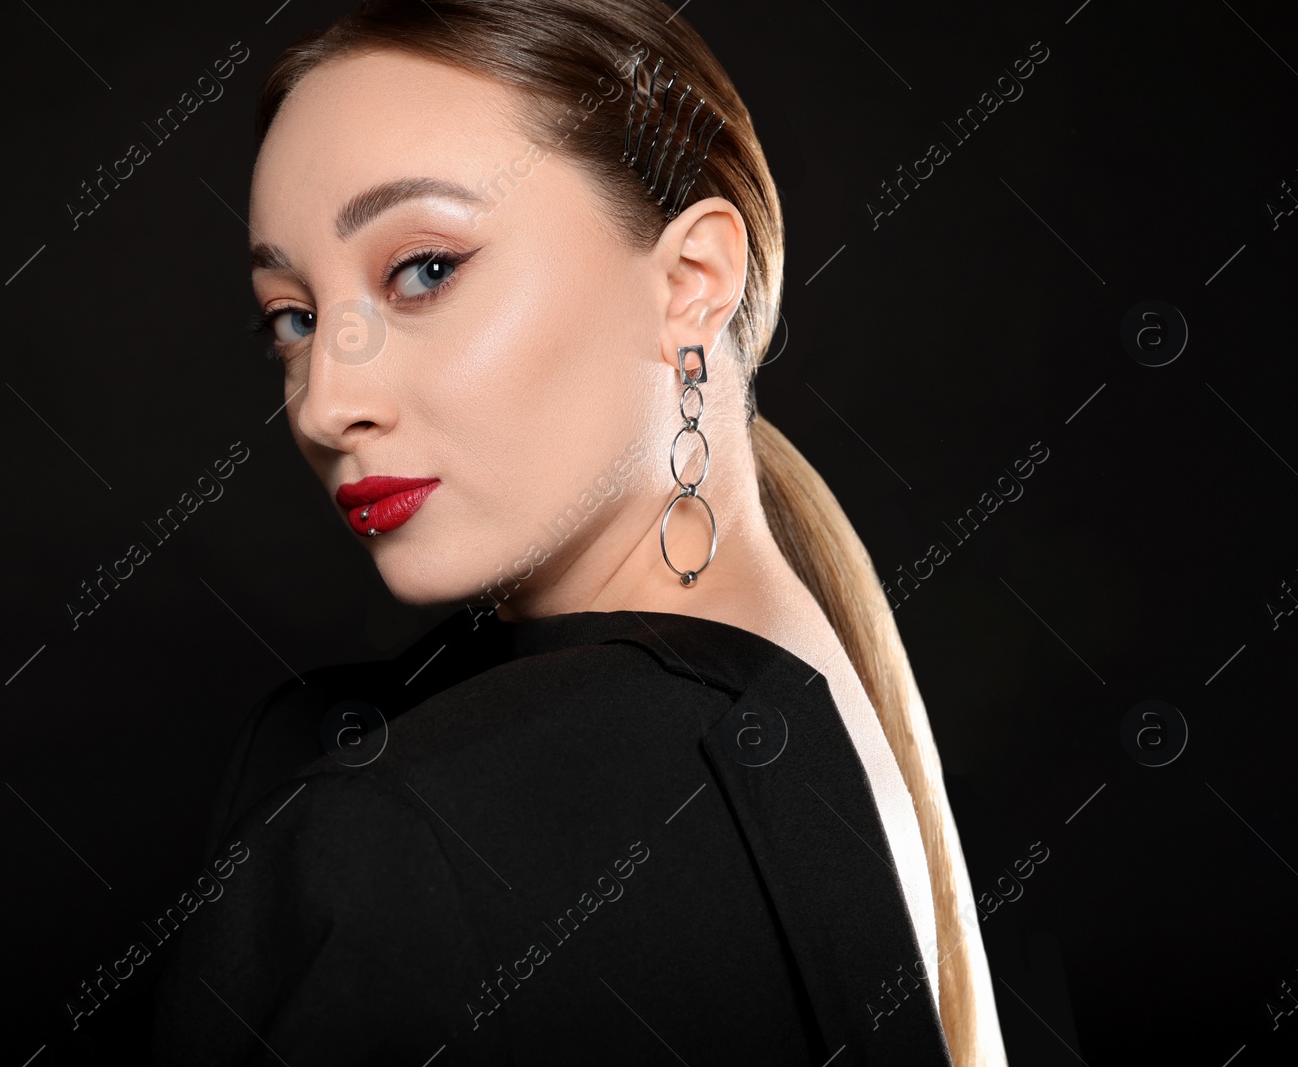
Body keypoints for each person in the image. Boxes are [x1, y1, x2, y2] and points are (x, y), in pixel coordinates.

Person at [150, 0, 1006, 1063]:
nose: (325, 402)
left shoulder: (413, 832)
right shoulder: (830, 725)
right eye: (295, 316)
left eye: (424, 269)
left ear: (690, 282)